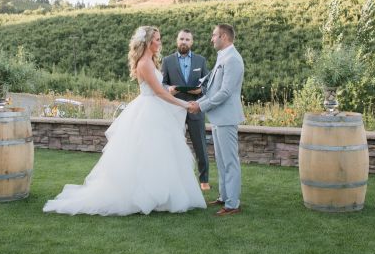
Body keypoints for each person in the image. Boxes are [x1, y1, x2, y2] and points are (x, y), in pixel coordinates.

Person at [43, 26, 206, 216]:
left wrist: (174, 94)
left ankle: (159, 196)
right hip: (149, 111)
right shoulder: (144, 63)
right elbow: (159, 92)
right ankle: (144, 196)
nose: (160, 42)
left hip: (154, 108)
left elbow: (160, 89)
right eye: (157, 39)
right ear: (148, 42)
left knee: (158, 154)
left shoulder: (150, 61)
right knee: (147, 154)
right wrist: (185, 105)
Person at [188, 23, 245, 216]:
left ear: (224, 37)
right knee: (221, 161)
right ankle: (224, 196)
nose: (211, 39)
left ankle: (233, 204)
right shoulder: (223, 56)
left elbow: (225, 92)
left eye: (214, 35)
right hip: (219, 118)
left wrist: (200, 106)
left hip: (227, 118)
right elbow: (213, 90)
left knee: (230, 162)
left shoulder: (233, 59)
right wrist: (197, 103)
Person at [161, 29, 210, 191]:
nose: (184, 42)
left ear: (192, 42)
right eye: (181, 38)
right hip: (174, 109)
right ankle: (174, 178)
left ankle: (204, 179)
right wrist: (169, 89)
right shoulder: (167, 61)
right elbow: (162, 83)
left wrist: (200, 90)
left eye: (187, 39)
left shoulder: (200, 61)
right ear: (177, 41)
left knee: (200, 146)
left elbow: (207, 84)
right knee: (174, 146)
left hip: (195, 108)